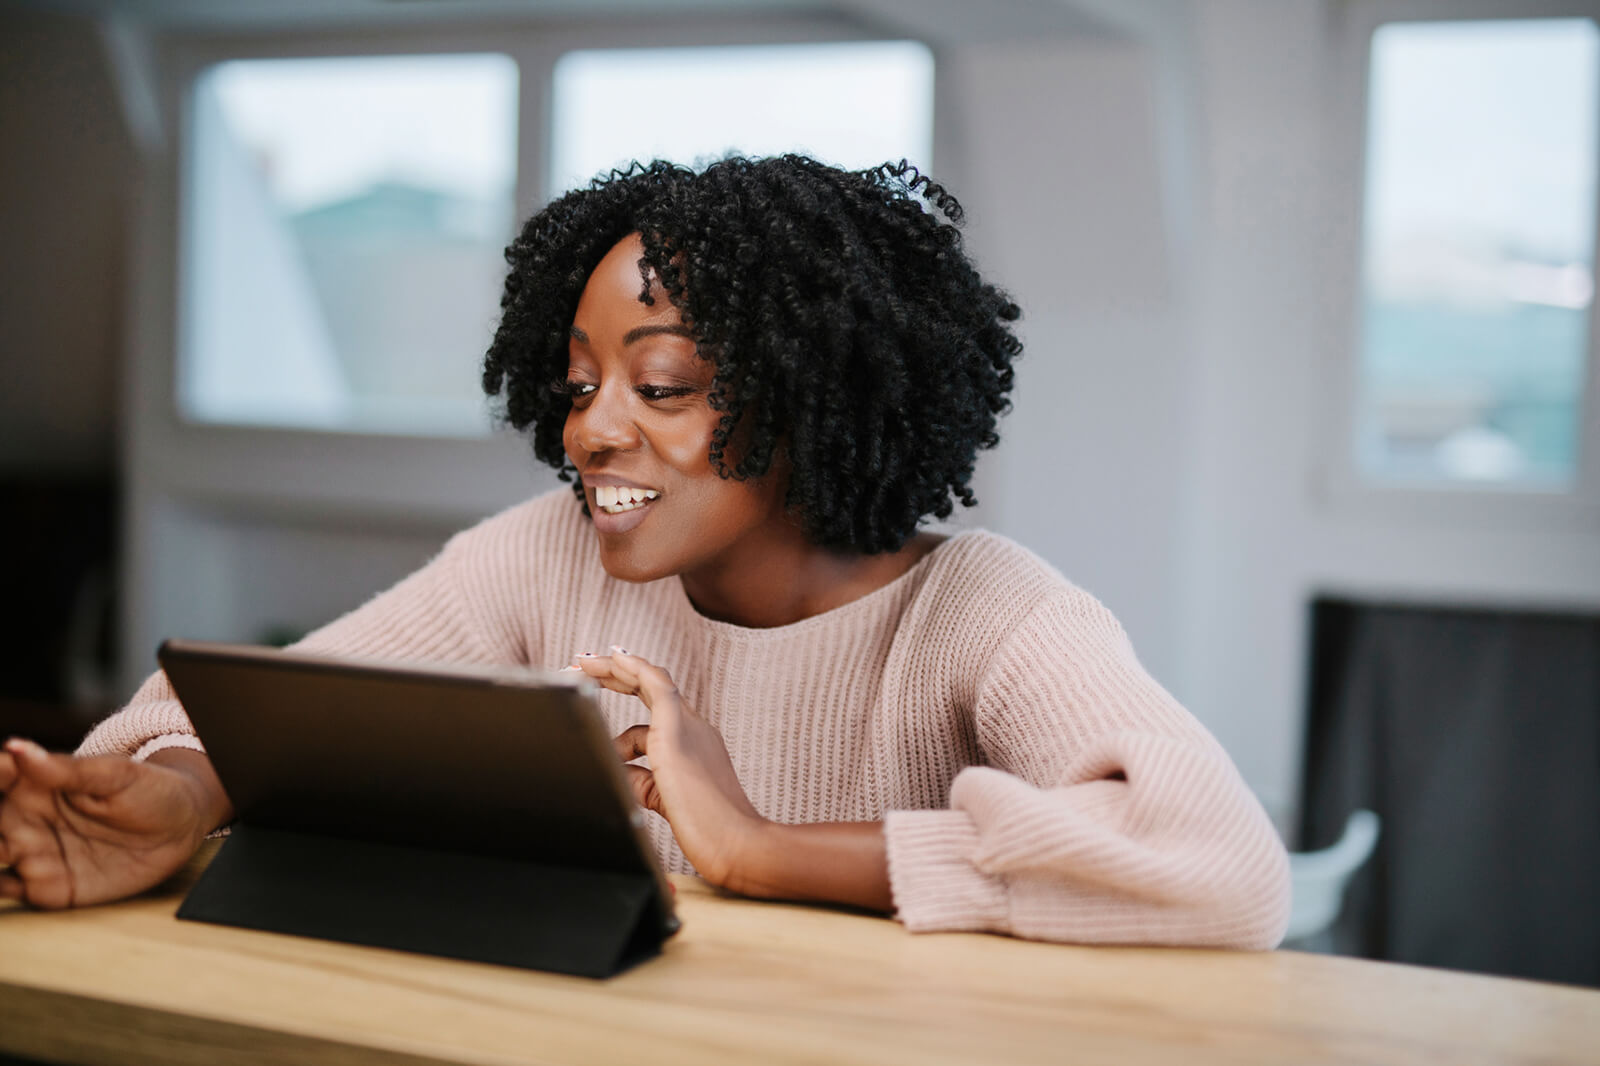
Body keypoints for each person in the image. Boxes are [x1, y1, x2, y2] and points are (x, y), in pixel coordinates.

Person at [0, 156, 1290, 947]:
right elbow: (265, 707)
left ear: (810, 400)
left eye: (662, 385)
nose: (592, 433)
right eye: (575, 384)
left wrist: (755, 844)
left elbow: (1220, 869)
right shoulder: (540, 561)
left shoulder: (986, 614)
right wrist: (182, 792)